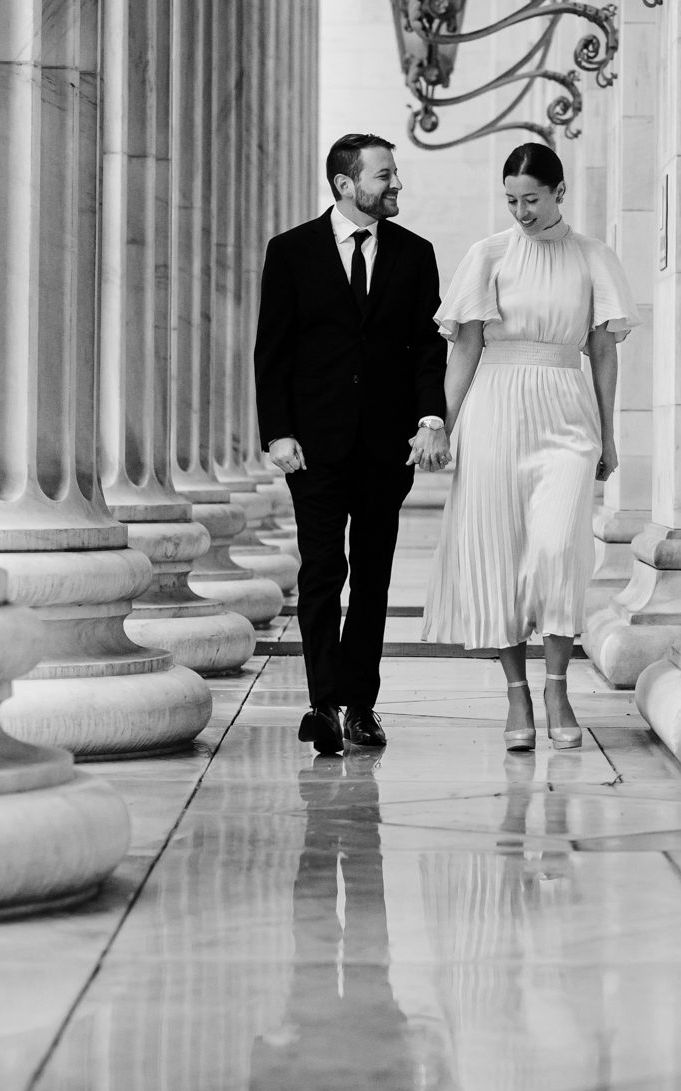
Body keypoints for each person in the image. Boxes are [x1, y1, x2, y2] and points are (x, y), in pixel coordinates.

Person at [420, 142, 638, 750]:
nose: (521, 212)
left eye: (532, 199)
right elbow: (464, 347)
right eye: (511, 200)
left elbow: (603, 352)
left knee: (557, 548)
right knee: (499, 552)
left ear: (560, 192)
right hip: (494, 411)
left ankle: (557, 689)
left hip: (566, 411)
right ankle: (517, 695)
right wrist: (441, 424)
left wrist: (609, 433)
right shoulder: (487, 254)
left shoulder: (593, 257)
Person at [255, 133, 450, 756]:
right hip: (313, 447)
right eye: (384, 175)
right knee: (321, 572)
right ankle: (323, 705)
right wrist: (277, 431)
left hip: (386, 447)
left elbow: (428, 348)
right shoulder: (291, 251)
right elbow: (273, 348)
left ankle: (361, 706)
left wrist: (430, 418)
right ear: (346, 184)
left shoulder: (415, 253)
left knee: (372, 577)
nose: (396, 185)